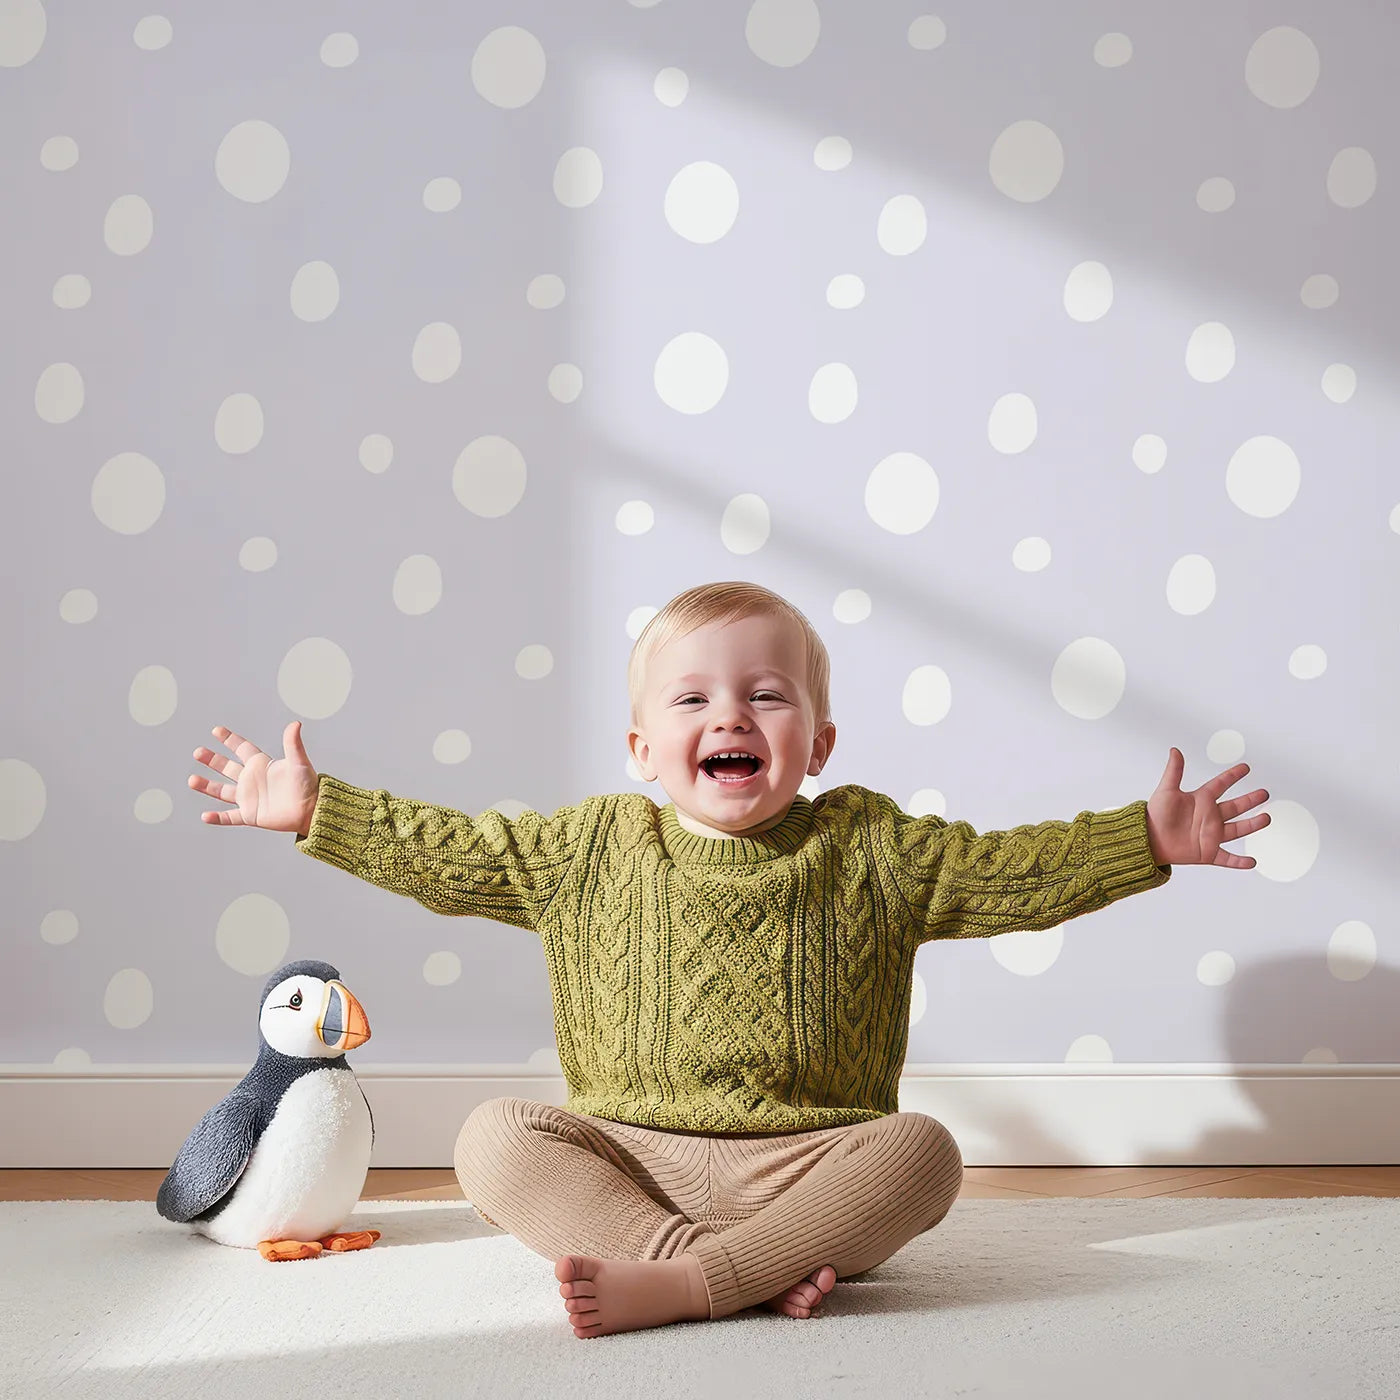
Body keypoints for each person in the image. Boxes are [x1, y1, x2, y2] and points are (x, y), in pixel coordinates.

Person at [187, 580, 1271, 1339]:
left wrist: (1144, 838)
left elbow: (1009, 870)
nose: (730, 714)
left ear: (818, 741)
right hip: (626, 1158)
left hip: (807, 1166)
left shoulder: (868, 845)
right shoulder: (589, 849)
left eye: (765, 692)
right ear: (641, 749)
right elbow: (452, 852)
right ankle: (718, 1270)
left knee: (924, 1151)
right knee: (492, 1137)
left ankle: (695, 1278)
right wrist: (317, 808)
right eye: (693, 696)